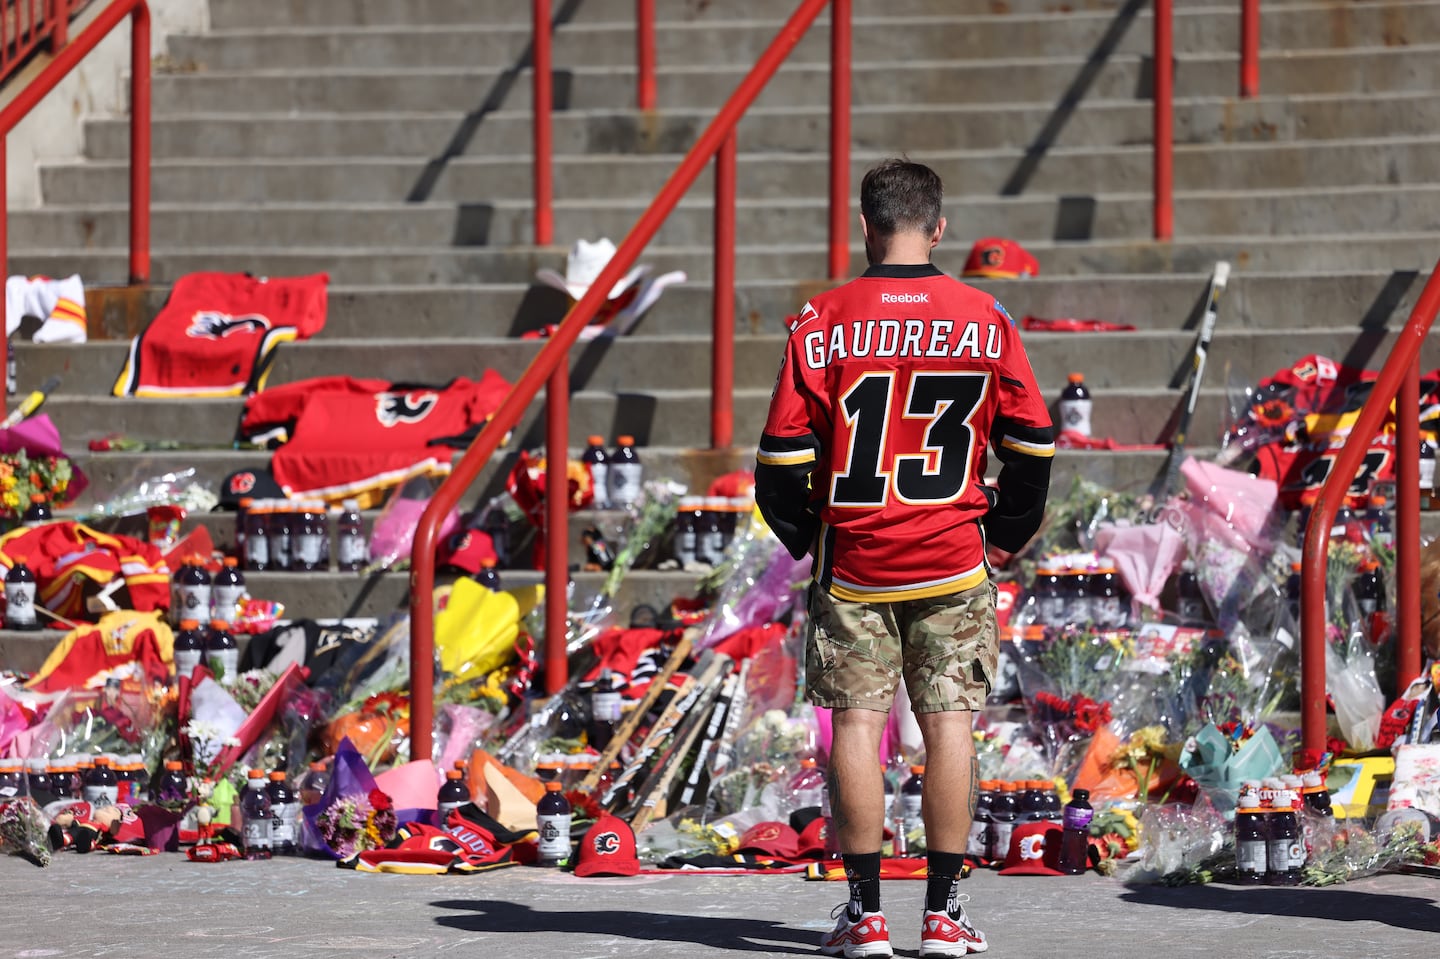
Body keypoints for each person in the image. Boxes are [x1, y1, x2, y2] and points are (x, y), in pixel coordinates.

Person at [755, 158, 1055, 958]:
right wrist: (1003, 534)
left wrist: (809, 538)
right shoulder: (985, 317)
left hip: (855, 558)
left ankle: (866, 915)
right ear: (940, 228)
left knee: (856, 725)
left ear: (865, 225)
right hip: (953, 555)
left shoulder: (821, 322)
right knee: (949, 723)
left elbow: (780, 464)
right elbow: (1032, 444)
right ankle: (945, 915)